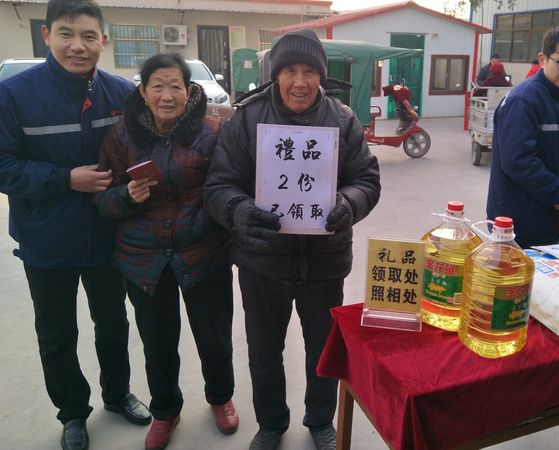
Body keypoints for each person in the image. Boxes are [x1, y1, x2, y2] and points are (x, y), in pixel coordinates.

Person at [203, 28, 380, 450]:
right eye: (290, 71)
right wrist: (239, 211)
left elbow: (366, 179)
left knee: (323, 347)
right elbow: (218, 185)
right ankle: (271, 423)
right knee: (264, 351)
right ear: (275, 75)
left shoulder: (342, 119)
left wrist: (349, 204)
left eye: (309, 72)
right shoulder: (247, 119)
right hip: (262, 261)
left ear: (321, 76)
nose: (300, 82)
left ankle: (320, 420)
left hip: (324, 261)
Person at [0, 1, 151, 449]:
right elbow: (3, 165)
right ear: (46, 36)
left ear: (103, 41)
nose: (77, 46)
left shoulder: (122, 94)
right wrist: (65, 179)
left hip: (107, 234)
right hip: (46, 237)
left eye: (88, 36)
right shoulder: (14, 95)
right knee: (56, 332)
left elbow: (140, 152)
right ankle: (72, 413)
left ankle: (118, 394)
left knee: (113, 322)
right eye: (66, 34)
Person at [94, 53, 239, 450]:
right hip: (143, 260)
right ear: (142, 91)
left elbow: (228, 187)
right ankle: (165, 410)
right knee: (157, 343)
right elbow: (102, 199)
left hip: (203, 252)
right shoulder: (120, 136)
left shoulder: (212, 133)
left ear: (189, 91)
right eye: (157, 86)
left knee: (214, 336)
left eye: (175, 86)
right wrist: (126, 197)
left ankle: (220, 397)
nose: (167, 95)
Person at [486, 25, 559, 249]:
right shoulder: (524, 101)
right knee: (516, 270)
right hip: (516, 220)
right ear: (543, 59)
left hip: (548, 213)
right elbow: (518, 161)